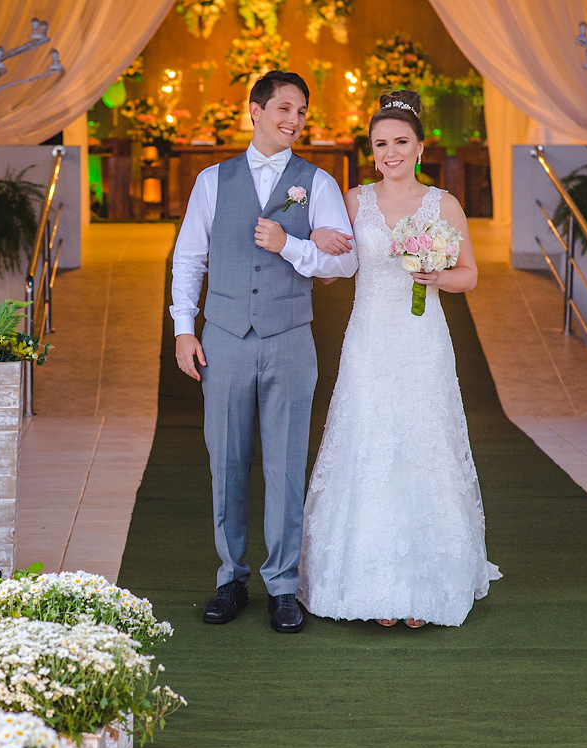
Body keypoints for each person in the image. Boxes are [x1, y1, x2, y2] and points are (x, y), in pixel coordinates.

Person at [299, 90, 500, 628]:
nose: (390, 152)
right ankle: (370, 582)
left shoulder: (443, 204)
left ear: (420, 146)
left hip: (421, 338)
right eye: (380, 143)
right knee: (368, 440)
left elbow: (470, 275)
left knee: (421, 441)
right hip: (368, 337)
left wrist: (436, 276)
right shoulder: (353, 199)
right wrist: (318, 248)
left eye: (400, 142)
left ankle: (424, 584)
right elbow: (332, 263)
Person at [171, 71, 358, 634]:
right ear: (253, 110)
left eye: (301, 111)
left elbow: (344, 263)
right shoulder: (211, 181)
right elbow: (188, 260)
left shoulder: (317, 183)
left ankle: (283, 585)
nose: (294, 120)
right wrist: (185, 327)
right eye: (283, 108)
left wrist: (292, 245)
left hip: (290, 340)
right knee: (226, 460)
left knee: (285, 465)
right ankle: (231, 577)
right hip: (224, 336)